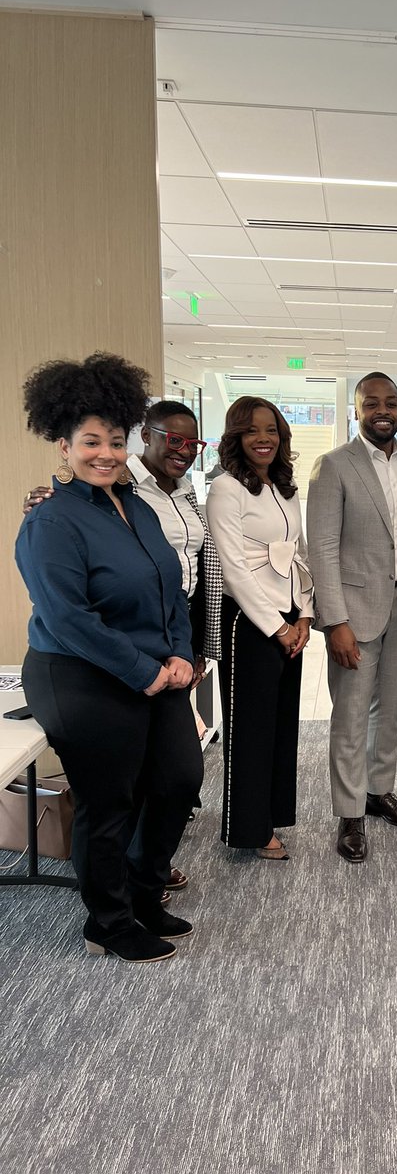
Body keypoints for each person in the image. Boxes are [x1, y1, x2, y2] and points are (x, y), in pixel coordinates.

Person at [15, 353, 203, 963]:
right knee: (111, 799)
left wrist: (178, 654)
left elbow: (171, 584)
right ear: (64, 444)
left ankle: (145, 892)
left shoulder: (137, 506)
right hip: (80, 675)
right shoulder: (50, 521)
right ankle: (109, 920)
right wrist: (145, 670)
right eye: (90, 441)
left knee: (178, 781)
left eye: (116, 442)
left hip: (156, 667)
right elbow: (69, 618)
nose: (105, 453)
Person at [306, 373, 397, 863]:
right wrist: (334, 620)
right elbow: (323, 548)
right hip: (354, 611)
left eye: (392, 403)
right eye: (371, 403)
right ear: (356, 410)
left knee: (391, 708)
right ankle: (350, 812)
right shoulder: (333, 465)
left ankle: (379, 792)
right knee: (352, 714)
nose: (383, 410)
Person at [206, 397, 313, 858]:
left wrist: (305, 614)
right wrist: (276, 627)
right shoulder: (226, 489)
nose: (263, 438)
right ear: (236, 437)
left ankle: (271, 816)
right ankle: (247, 830)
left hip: (290, 619)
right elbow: (233, 570)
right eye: (252, 431)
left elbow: (300, 554)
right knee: (248, 732)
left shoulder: (285, 487)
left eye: (271, 430)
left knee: (280, 727)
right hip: (249, 624)